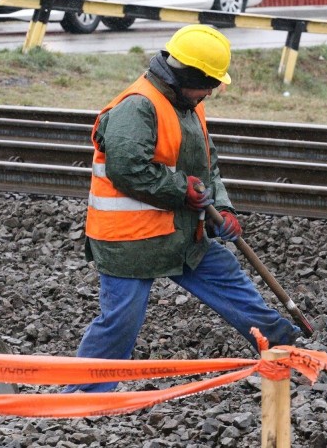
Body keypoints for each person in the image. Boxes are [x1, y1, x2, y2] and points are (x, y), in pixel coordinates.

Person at [66, 24, 301, 393]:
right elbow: (128, 170)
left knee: (227, 277)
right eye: (207, 84)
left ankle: (281, 346)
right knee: (120, 323)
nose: (210, 92)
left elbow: (208, 164)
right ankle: (80, 397)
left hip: (177, 233)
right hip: (130, 241)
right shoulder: (137, 107)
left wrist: (222, 207)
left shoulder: (189, 104)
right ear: (185, 76)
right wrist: (182, 191)